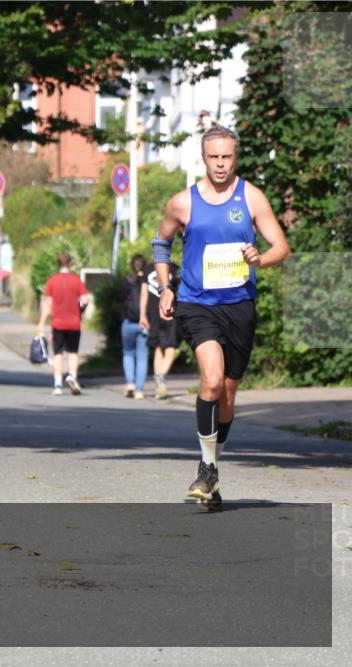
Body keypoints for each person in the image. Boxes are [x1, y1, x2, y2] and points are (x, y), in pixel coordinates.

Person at [154, 125, 290, 507]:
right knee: (211, 380)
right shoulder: (183, 202)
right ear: (203, 158)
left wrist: (259, 259)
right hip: (197, 303)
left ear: (235, 157)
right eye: (213, 157)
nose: (219, 164)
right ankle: (207, 470)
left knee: (228, 394)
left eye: (226, 157)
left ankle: (210, 469)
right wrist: (166, 287)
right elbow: (162, 242)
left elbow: (282, 247)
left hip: (239, 305)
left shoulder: (251, 197)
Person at [36, 252, 89, 395]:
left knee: (58, 353)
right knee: (73, 352)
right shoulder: (76, 280)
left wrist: (41, 323)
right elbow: (85, 300)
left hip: (58, 323)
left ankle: (58, 384)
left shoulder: (52, 281)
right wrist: (80, 311)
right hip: (74, 323)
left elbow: (48, 304)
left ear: (58, 264)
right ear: (70, 264)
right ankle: (72, 376)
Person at [140, 258, 181, 399]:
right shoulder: (173, 268)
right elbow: (179, 291)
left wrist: (142, 315)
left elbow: (144, 294)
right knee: (170, 348)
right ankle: (160, 377)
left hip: (152, 313)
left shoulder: (148, 268)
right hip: (169, 310)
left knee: (158, 348)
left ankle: (159, 385)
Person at [121, 254, 148, 399]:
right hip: (144, 323)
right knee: (142, 357)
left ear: (132, 265)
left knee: (128, 353)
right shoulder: (148, 281)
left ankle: (130, 383)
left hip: (128, 322)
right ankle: (139, 390)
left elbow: (122, 300)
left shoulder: (127, 281)